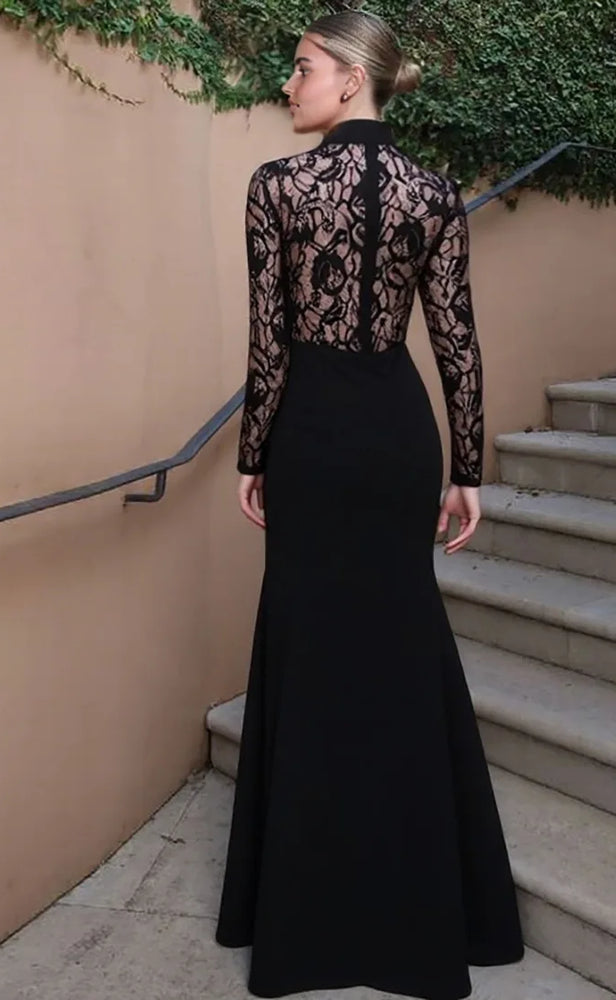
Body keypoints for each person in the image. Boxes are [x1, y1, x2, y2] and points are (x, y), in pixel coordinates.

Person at [215, 10, 525, 999]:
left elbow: (270, 342)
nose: (288, 85)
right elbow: (458, 346)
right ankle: (427, 913)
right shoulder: (434, 193)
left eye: (302, 69)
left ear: (351, 78)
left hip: (310, 434)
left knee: (309, 650)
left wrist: (253, 454)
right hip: (398, 434)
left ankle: (302, 919)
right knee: (400, 650)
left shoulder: (276, 187)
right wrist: (466, 468)